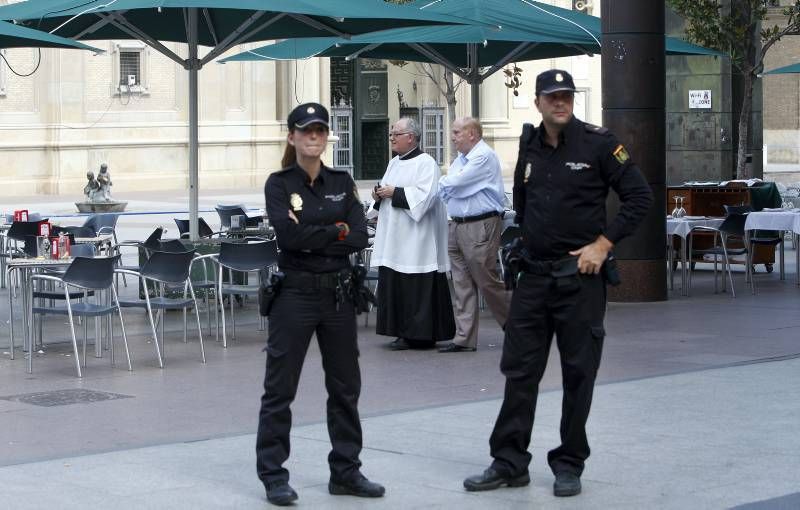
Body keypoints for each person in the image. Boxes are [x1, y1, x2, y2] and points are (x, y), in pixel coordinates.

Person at [464, 70, 653, 497]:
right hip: (532, 278)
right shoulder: (529, 144)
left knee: (578, 372)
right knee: (519, 371)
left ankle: (569, 462)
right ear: (538, 103)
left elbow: (640, 197)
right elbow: (522, 202)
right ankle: (509, 461)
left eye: (566, 95)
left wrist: (603, 244)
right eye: (552, 97)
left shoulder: (599, 144)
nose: (560, 102)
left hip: (579, 282)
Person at [258, 102, 385, 506]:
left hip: (338, 295)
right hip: (294, 294)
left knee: (346, 387)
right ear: (292, 137)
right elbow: (289, 239)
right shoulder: (279, 184)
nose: (313, 137)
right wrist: (336, 229)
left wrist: (321, 230)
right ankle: (274, 476)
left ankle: (346, 471)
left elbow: (361, 236)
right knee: (280, 389)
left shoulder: (342, 180)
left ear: (327, 137)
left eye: (319, 131)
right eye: (305, 131)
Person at [371, 117, 455, 351]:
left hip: (417, 239)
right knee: (396, 283)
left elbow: (426, 198)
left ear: (411, 137)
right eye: (391, 134)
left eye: (395, 134)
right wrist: (378, 195)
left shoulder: (427, 163)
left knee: (416, 285)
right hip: (395, 237)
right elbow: (387, 189)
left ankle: (420, 335)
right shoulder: (394, 163)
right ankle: (401, 331)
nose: (391, 139)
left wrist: (394, 192)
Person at [437, 117, 511, 353]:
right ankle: (464, 338)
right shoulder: (462, 159)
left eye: (457, 132)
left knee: (487, 282)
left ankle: (520, 328)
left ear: (472, 134)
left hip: (480, 225)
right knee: (461, 284)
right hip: (457, 225)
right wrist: (448, 184)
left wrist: (447, 183)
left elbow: (455, 183)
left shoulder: (483, 156)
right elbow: (448, 189)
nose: (452, 136)